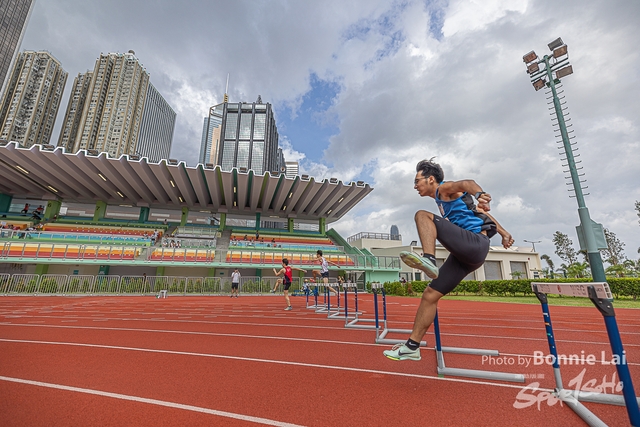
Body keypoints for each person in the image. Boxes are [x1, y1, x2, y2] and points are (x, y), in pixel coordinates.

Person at [383, 158, 514, 361]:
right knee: (429, 295)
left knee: (422, 216)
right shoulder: (443, 201)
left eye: (417, 180)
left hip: (474, 244)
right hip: (467, 257)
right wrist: (504, 233)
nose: (415, 186)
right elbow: (480, 213)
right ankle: (412, 346)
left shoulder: (444, 189)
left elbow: (467, 183)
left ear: (431, 179)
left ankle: (428, 259)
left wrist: (480, 194)